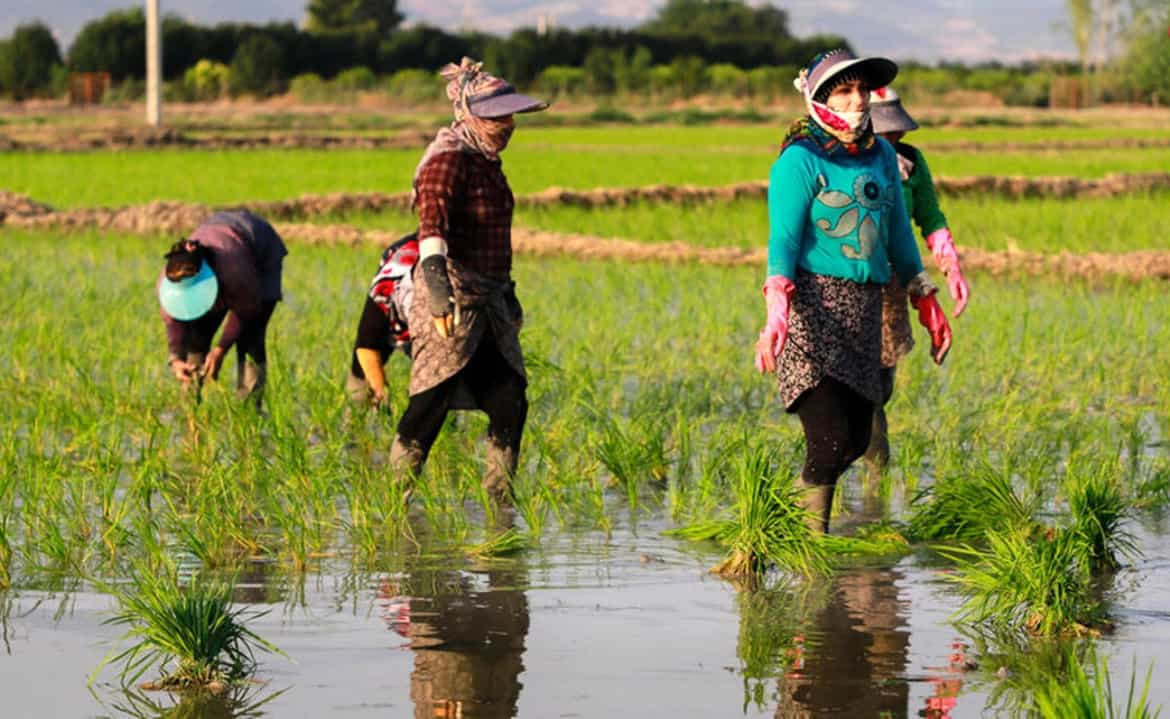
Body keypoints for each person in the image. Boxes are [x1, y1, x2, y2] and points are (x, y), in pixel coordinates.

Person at [754, 49, 953, 533]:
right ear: (819, 98)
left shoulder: (884, 155)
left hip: (864, 309)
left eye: (862, 89)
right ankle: (811, 554)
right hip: (813, 307)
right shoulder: (799, 160)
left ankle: (779, 524)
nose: (857, 99)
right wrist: (777, 311)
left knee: (858, 437)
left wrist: (924, 297)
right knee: (829, 437)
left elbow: (898, 237)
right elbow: (781, 239)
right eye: (844, 90)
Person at [390, 57, 548, 502]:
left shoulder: (487, 160)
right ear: (469, 114)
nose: (508, 124)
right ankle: (395, 500)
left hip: (491, 298)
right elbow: (432, 226)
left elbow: (495, 237)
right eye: (498, 116)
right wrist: (438, 288)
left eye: (511, 115)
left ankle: (500, 503)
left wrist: (508, 294)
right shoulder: (448, 160)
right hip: (452, 299)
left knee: (509, 398)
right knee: (431, 402)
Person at [864, 86, 971, 474]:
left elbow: (929, 215)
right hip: (846, 280)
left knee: (881, 384)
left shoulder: (911, 161)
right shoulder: (846, 162)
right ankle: (872, 476)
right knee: (860, 391)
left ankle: (872, 480)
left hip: (893, 281)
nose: (893, 138)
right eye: (883, 131)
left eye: (896, 131)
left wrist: (951, 266)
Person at [158, 210, 287, 405]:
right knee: (196, 338)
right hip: (221, 234)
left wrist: (220, 350)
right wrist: (175, 359)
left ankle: (250, 409)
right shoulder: (168, 283)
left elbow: (247, 310)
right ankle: (190, 408)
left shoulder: (235, 272)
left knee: (250, 338)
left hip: (259, 249)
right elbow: (173, 320)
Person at [346, 232, 419, 411]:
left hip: (448, 329)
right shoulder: (395, 273)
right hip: (397, 320)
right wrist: (381, 391)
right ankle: (354, 428)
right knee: (361, 390)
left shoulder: (486, 257)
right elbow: (366, 344)